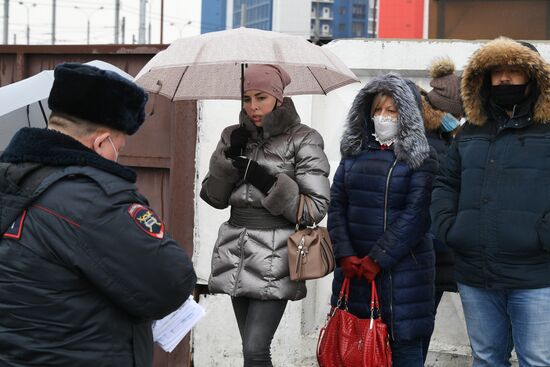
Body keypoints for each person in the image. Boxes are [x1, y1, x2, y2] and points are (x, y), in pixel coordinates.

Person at [0, 63, 197, 367]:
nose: (119, 152)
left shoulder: (11, 181)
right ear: (102, 142)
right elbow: (172, 282)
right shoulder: (94, 201)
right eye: (120, 144)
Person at [200, 64, 330, 367]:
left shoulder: (304, 139)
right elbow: (214, 198)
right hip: (235, 249)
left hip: (277, 252)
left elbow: (315, 207)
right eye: (247, 98)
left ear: (279, 99)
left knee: (256, 349)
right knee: (249, 348)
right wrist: (226, 164)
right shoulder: (233, 136)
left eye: (261, 97)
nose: (253, 106)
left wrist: (265, 179)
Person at [431, 37, 550, 367]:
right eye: (498, 72)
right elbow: (446, 182)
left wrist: (543, 237)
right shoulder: (471, 131)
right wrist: (450, 228)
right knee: (485, 359)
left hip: (537, 275)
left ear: (534, 78)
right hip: (476, 272)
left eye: (515, 70)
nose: (505, 79)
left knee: (537, 360)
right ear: (485, 78)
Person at [328, 73, 438, 366]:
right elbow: (337, 205)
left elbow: (415, 216)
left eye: (392, 110)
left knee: (405, 351)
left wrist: (378, 259)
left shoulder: (422, 159)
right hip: (355, 275)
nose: (383, 116)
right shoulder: (352, 155)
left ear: (407, 115)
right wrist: (345, 253)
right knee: (356, 351)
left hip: (405, 279)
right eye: (377, 109)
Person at [417, 57, 464, 359]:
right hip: (435, 251)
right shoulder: (439, 146)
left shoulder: (438, 142)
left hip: (431, 251)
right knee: (421, 322)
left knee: (419, 323)